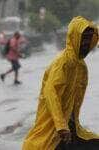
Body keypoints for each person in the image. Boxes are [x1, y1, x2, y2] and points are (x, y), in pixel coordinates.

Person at [22, 16, 99, 150]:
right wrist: (61, 126)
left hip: (70, 128)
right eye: (83, 39)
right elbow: (51, 94)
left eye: (89, 39)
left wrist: (70, 124)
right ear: (74, 38)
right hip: (54, 129)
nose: (86, 44)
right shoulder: (62, 63)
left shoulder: (80, 66)